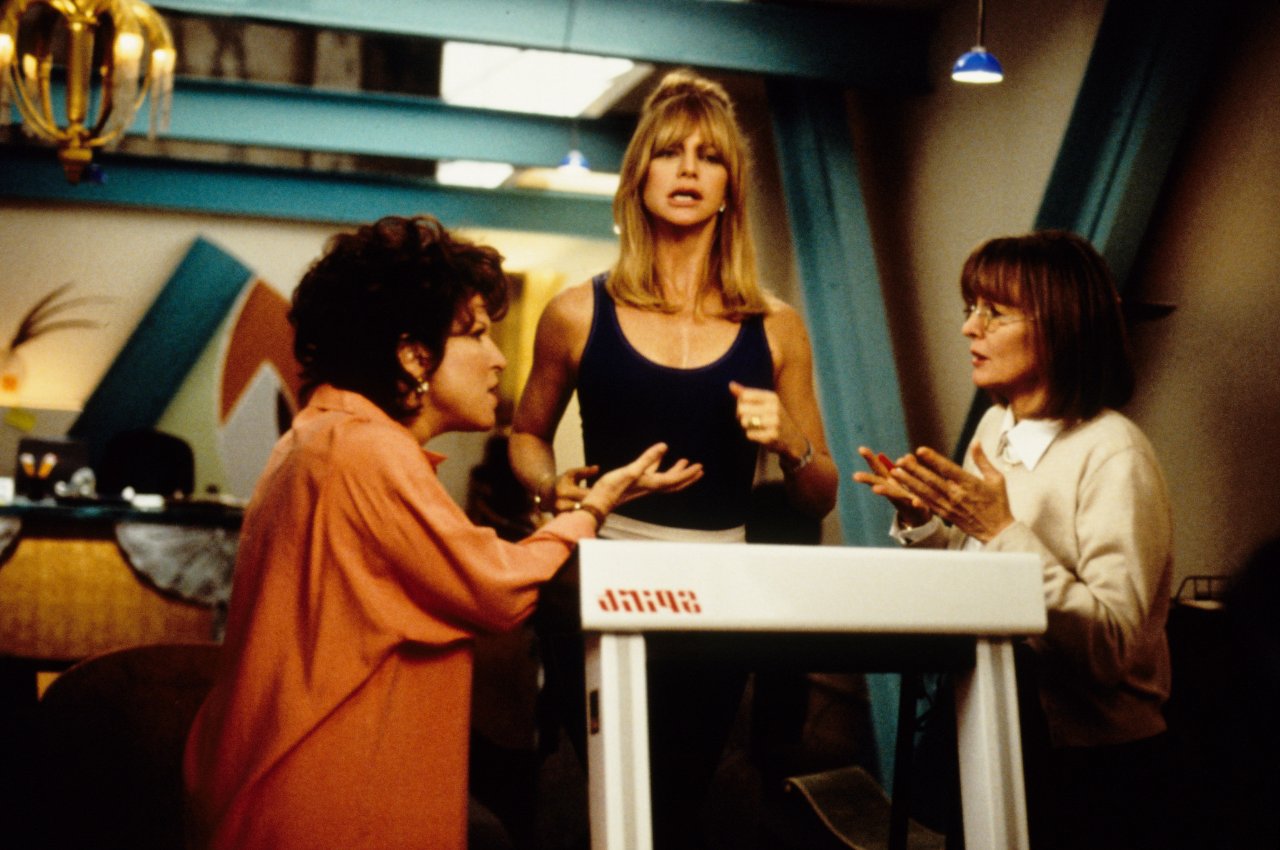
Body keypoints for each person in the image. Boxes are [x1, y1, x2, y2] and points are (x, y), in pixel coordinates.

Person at [182, 215, 687, 850]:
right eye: (476, 334)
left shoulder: (323, 434)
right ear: (414, 356)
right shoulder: (366, 450)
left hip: (285, 784)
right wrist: (591, 510)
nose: (499, 358)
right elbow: (495, 588)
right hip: (328, 800)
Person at [509, 70, 837, 848]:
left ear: (729, 187)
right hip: (601, 575)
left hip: (720, 590)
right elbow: (525, 434)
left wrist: (790, 444)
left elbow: (820, 494)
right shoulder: (576, 312)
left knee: (680, 806)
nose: (688, 170)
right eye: (668, 152)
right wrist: (551, 486)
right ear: (638, 177)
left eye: (709, 156)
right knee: (605, 797)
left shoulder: (777, 325)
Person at [853, 230, 1174, 850]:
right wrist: (924, 523)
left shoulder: (1116, 454)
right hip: (990, 726)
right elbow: (983, 586)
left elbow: (1109, 649)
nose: (969, 328)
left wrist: (1000, 531)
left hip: (1086, 766)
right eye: (970, 308)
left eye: (994, 312)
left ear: (1060, 326)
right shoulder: (995, 426)